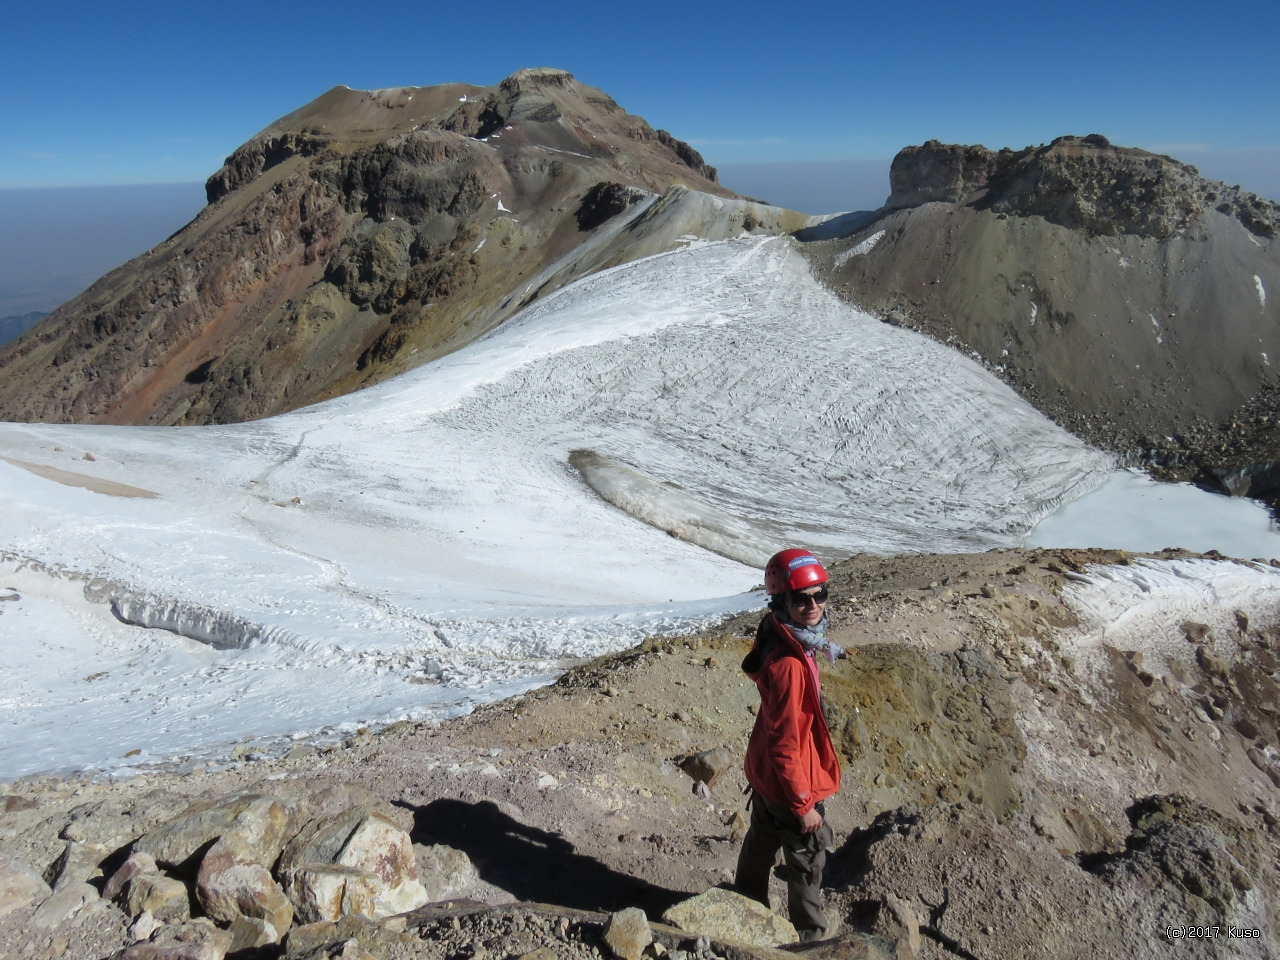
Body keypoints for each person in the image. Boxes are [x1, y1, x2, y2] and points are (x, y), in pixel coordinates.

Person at [735, 548, 844, 942]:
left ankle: (744, 908)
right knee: (806, 859)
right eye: (801, 598)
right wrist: (804, 804)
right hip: (789, 783)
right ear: (782, 601)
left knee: (761, 840)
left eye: (820, 594)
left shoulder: (780, 634)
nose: (813, 605)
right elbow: (786, 744)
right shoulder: (790, 666)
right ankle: (811, 938)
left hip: (765, 777)